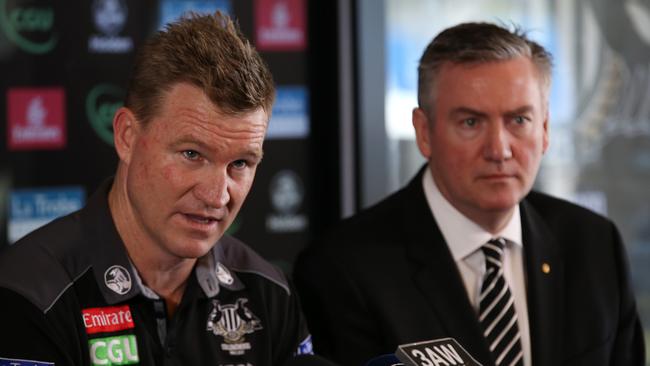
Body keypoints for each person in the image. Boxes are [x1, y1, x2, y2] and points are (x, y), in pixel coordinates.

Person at [294, 22, 645, 366]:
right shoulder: (344, 270)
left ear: (546, 129)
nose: (499, 149)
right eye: (471, 123)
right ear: (424, 132)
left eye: (519, 120)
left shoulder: (595, 246)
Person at [0, 12, 314, 365]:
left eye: (240, 164)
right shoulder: (31, 294)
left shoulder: (268, 292)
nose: (217, 196)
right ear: (126, 137)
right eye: (192, 154)